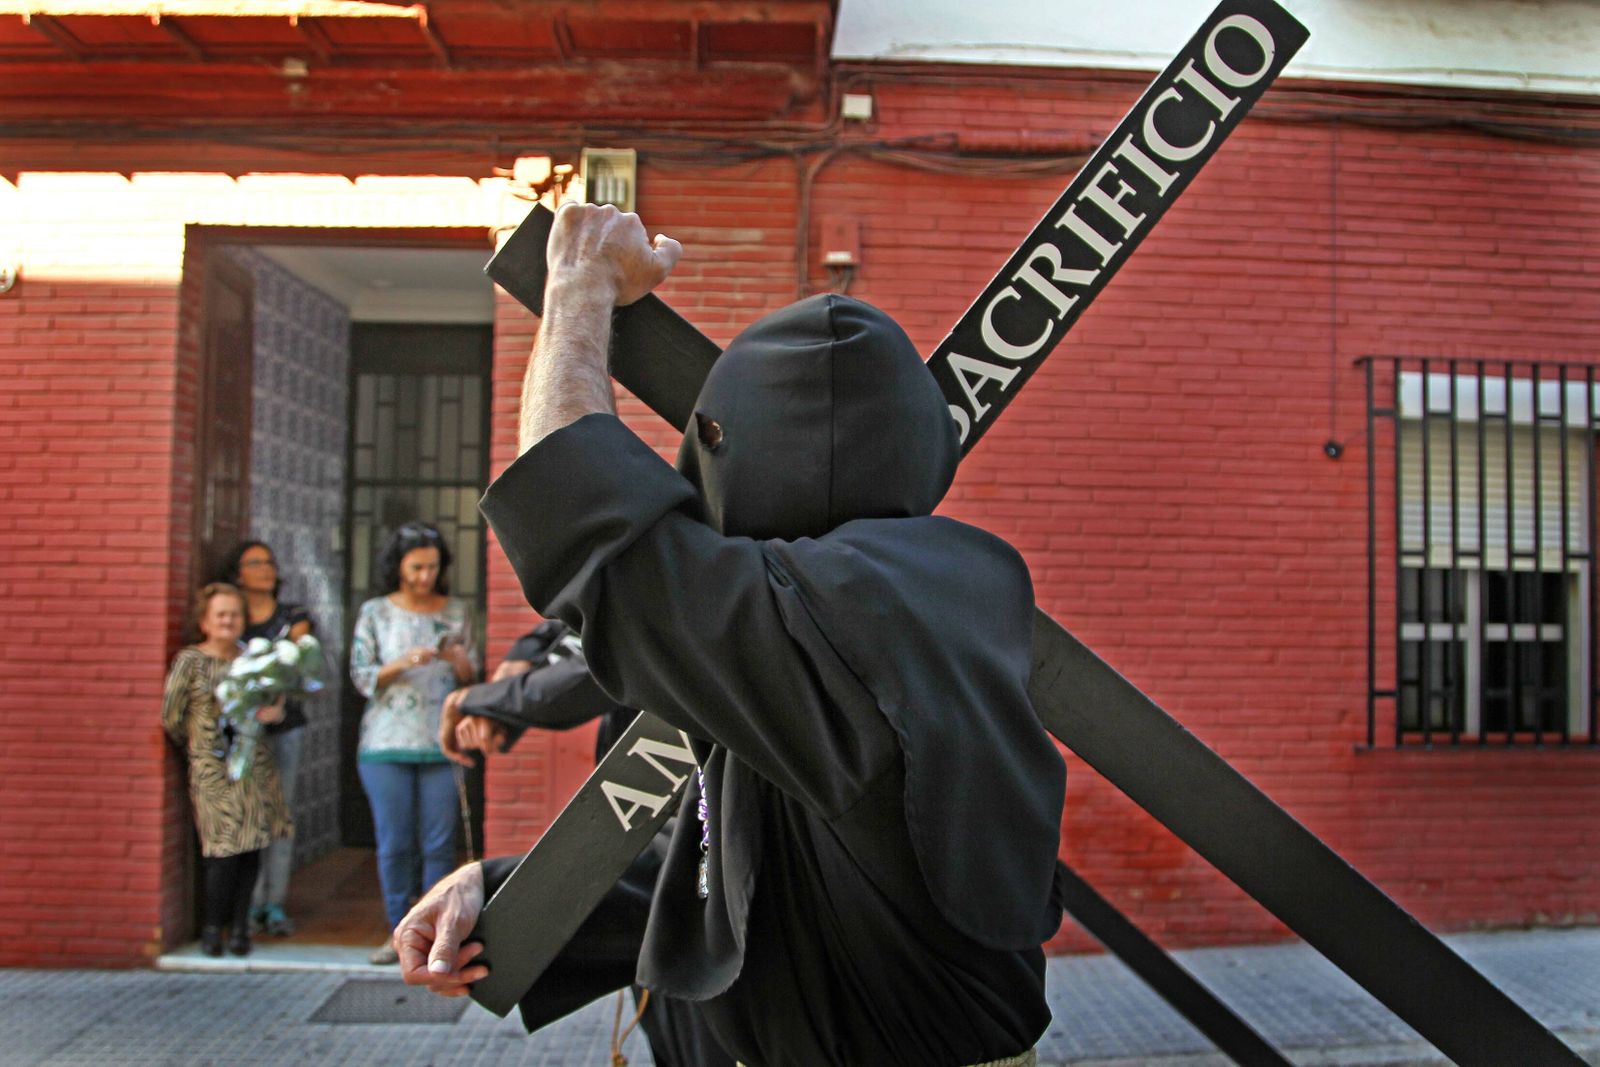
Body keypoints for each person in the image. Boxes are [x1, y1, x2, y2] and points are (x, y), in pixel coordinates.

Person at [397, 203, 1067, 1066]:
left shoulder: (877, 607)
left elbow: (594, 534)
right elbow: (744, 866)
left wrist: (579, 284)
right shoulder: (933, 594)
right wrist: (499, 893)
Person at [438, 619, 735, 1067]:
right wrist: (523, 657)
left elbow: (598, 657)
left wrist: (483, 700)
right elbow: (575, 622)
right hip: (659, 835)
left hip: (706, 841)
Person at [350, 521, 479, 965]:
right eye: (416, 567)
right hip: (385, 743)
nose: (425, 576)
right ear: (399, 567)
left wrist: (460, 662)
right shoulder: (376, 613)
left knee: (440, 844)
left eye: (432, 567)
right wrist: (400, 664)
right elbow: (361, 677)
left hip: (442, 743)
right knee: (395, 843)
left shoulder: (456, 611)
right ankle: (398, 934)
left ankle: (438, 933)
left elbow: (472, 680)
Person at [161, 582, 293, 958]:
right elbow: (171, 716)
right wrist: (199, 749)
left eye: (234, 614)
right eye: (220, 614)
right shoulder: (190, 661)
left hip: (255, 769)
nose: (228, 621)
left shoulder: (255, 659)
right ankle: (212, 927)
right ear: (205, 621)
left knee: (252, 849)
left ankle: (240, 928)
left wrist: (274, 712)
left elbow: (277, 707)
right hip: (213, 771)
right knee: (222, 851)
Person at [216, 539, 314, 938]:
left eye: (270, 562)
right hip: (240, 733)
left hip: (282, 726)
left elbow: (297, 664)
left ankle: (274, 901)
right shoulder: (232, 617)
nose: (265, 568)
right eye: (255, 563)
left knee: (280, 814)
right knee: (244, 817)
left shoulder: (292, 615)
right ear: (238, 574)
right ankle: (245, 904)